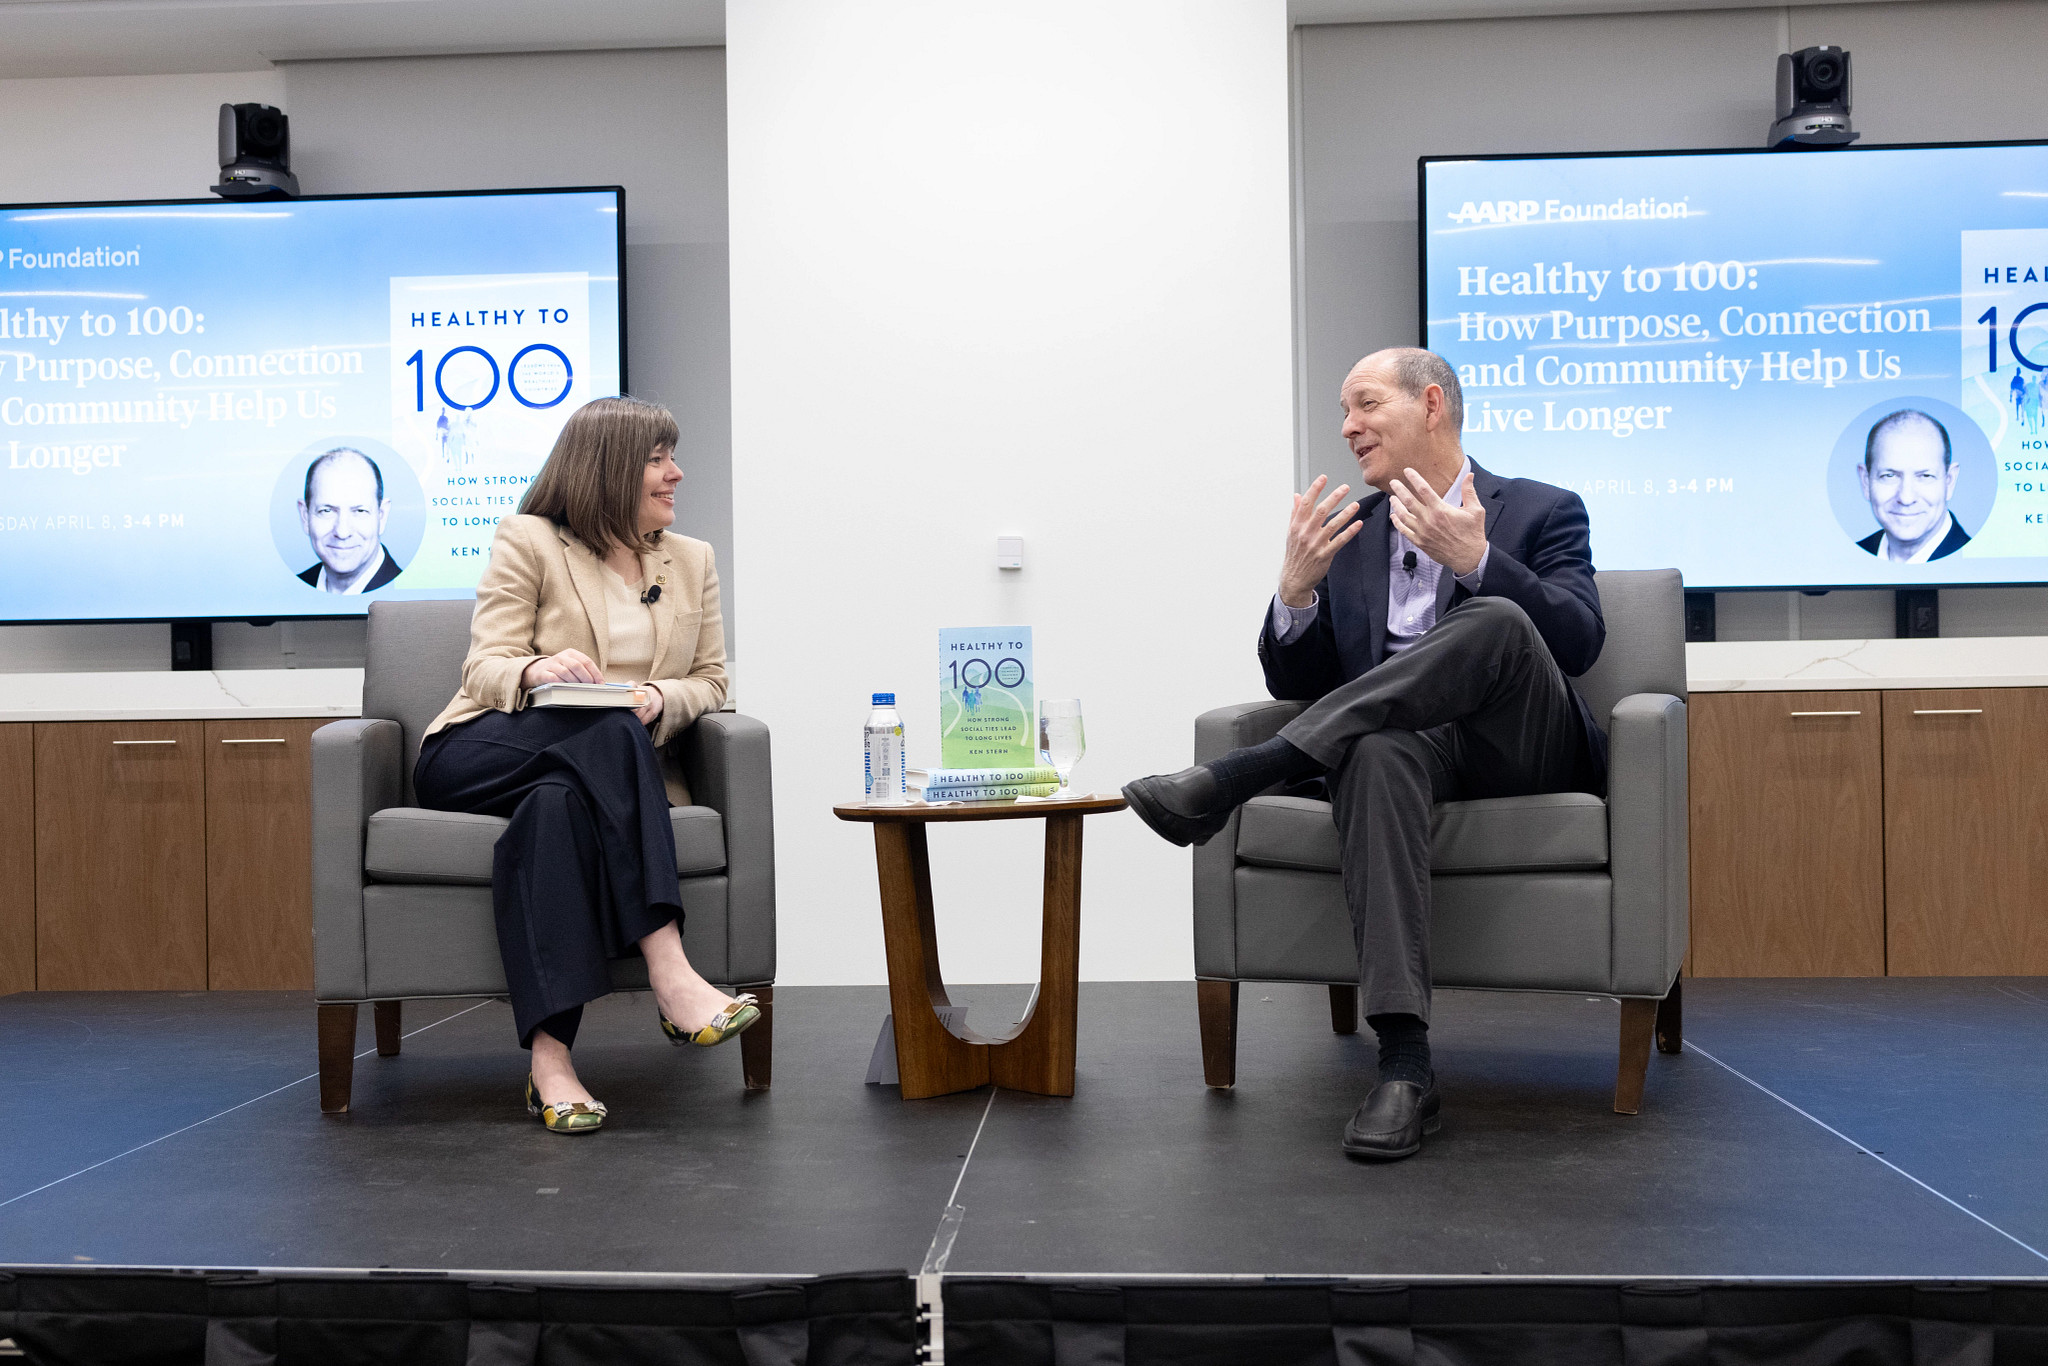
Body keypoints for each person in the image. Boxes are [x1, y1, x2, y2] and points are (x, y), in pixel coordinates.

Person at [1122, 348, 1605, 1162]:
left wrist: (1477, 562)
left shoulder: (1540, 509)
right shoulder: (1353, 535)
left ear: (1432, 406)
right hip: (1409, 753)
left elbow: (1582, 640)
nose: (1347, 426)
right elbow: (1299, 679)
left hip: (1518, 745)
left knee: (1494, 620)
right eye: (1343, 410)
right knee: (1375, 749)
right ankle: (1405, 1066)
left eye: (1366, 404)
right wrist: (1296, 593)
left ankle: (1245, 774)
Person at [413, 396, 753, 1135]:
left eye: (672, 456)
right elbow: (484, 667)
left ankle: (550, 1063)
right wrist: (539, 671)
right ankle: (670, 968)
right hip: (485, 750)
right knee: (604, 730)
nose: (676, 473)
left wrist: (658, 697)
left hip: (592, 771)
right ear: (610, 468)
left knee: (560, 808)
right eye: (659, 459)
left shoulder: (690, 560)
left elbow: (714, 681)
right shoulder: (530, 540)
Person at [1855, 409, 1970, 563]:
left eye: (1925, 476)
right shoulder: (1843, 562)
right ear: (1865, 481)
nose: (1906, 498)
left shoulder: (1985, 566)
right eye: (1889, 476)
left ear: (1949, 481)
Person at [296, 446, 406, 592]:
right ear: (305, 516)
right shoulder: (285, 593)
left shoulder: (414, 597)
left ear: (382, 516)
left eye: (359, 511)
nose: (342, 532)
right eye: (326, 511)